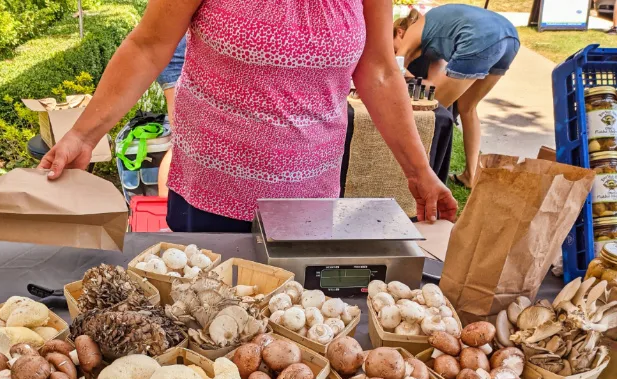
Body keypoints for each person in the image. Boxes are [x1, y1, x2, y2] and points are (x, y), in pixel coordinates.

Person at [40, 0, 457, 232]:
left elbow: (380, 70)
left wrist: (420, 171)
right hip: (209, 195)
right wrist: (83, 134)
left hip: (309, 199)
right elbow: (148, 46)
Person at [394, 5, 520, 189]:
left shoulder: (414, 30)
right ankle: (471, 174)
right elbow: (435, 85)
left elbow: (396, 65)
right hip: (509, 37)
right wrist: (411, 78)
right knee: (467, 107)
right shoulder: (436, 37)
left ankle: (422, 177)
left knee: (432, 115)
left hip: (480, 35)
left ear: (399, 32)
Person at [155, 36, 186, 197]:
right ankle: (163, 210)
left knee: (181, 144)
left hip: (174, 55)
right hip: (181, 59)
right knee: (182, 144)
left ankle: (164, 210)